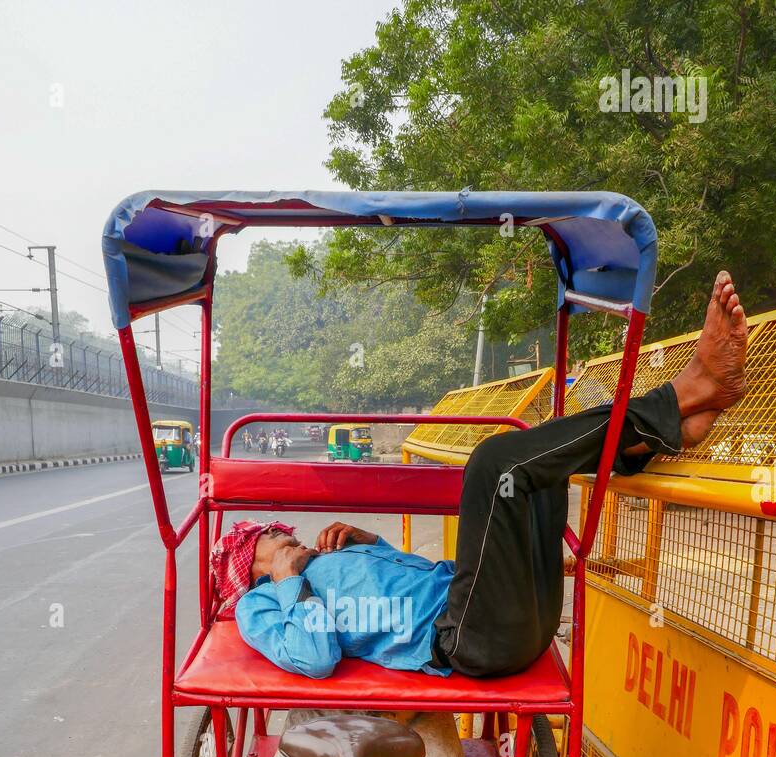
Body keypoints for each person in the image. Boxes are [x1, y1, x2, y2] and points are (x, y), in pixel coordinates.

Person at [211, 273, 747, 679]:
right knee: (494, 465)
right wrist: (289, 584)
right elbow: (316, 657)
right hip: (472, 639)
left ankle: (656, 432)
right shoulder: (261, 604)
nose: (285, 534)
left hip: (509, 610)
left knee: (535, 471)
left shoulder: (330, 556)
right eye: (270, 536)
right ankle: (678, 400)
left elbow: (421, 580)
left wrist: (370, 543)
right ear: (250, 562)